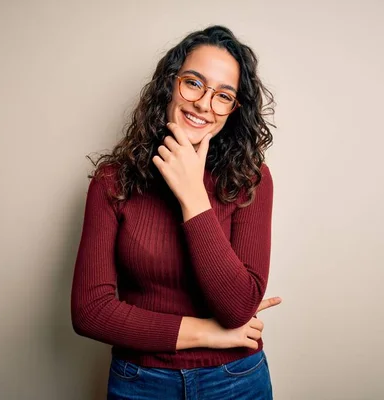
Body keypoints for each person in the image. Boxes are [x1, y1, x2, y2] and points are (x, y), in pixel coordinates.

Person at [71, 25, 280, 399]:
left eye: (223, 95)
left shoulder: (252, 180)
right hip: (141, 382)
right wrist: (210, 334)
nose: (204, 104)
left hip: (235, 380)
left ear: (234, 109)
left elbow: (238, 307)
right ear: (170, 83)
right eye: (194, 83)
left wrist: (192, 196)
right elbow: (90, 312)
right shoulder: (112, 181)